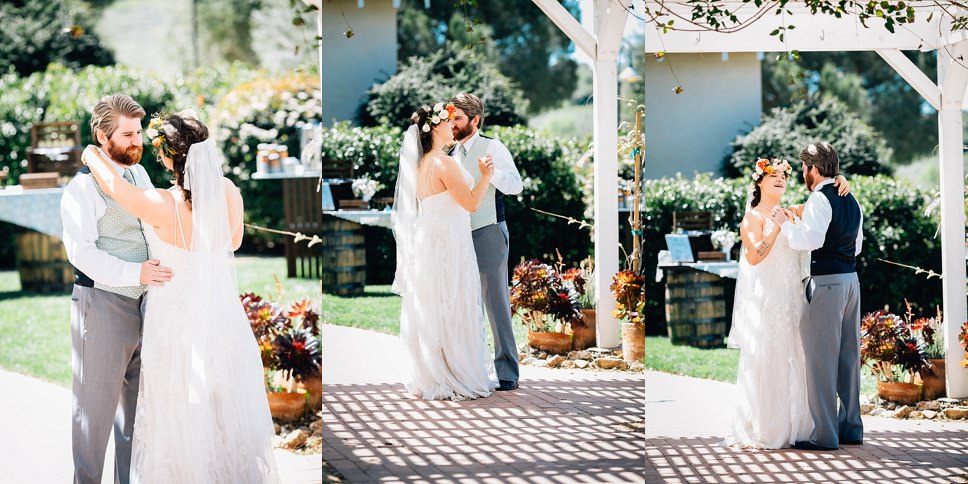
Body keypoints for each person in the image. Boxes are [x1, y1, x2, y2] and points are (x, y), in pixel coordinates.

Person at [80, 110, 279, 481]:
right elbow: (233, 241)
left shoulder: (161, 203)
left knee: (177, 416)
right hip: (222, 319)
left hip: (175, 323)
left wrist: (92, 153)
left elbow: (114, 187)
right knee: (223, 414)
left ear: (170, 157)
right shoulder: (230, 192)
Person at [61, 93, 173, 484]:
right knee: (95, 413)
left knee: (136, 417)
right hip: (103, 304)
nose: (136, 142)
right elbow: (82, 255)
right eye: (126, 135)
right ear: (101, 136)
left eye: (138, 132)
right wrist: (136, 274)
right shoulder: (82, 188)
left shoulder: (139, 174)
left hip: (147, 306)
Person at [725, 158, 850, 449]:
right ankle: (770, 428)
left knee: (801, 359)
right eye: (774, 176)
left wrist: (841, 182)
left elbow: (825, 200)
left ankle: (801, 427)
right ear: (759, 183)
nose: (781, 179)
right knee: (771, 360)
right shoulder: (752, 218)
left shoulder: (793, 211)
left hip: (796, 299)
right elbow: (755, 257)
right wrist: (776, 228)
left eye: (784, 175)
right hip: (768, 301)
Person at [391, 102, 499, 400]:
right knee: (453, 301)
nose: (453, 126)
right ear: (433, 127)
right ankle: (455, 371)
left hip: (428, 240)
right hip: (450, 241)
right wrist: (485, 177)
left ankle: (431, 371)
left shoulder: (420, 164)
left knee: (433, 305)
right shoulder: (444, 162)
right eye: (448, 122)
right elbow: (471, 204)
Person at [772, 141, 865, 451]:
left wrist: (785, 225)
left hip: (826, 285)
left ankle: (825, 435)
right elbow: (858, 245)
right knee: (849, 358)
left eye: (803, 168)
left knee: (821, 361)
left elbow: (810, 240)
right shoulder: (852, 200)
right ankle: (851, 428)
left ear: (813, 169)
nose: (802, 173)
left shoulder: (819, 199)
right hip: (851, 281)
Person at [448, 92, 524, 391]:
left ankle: (507, 371)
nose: (452, 124)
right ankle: (472, 370)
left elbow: (516, 185)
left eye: (458, 119)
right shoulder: (450, 153)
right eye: (450, 118)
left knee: (496, 304)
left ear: (474, 120)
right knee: (464, 305)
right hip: (456, 237)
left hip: (489, 231)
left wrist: (490, 175)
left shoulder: (492, 146)